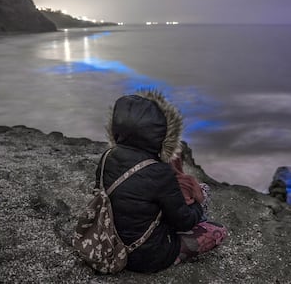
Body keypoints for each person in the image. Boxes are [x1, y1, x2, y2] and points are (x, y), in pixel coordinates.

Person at [95, 89, 227, 273]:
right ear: (161, 134)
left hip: (109, 242)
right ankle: (175, 256)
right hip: (145, 257)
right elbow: (184, 222)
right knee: (217, 229)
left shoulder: (107, 157)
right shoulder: (159, 172)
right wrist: (198, 202)